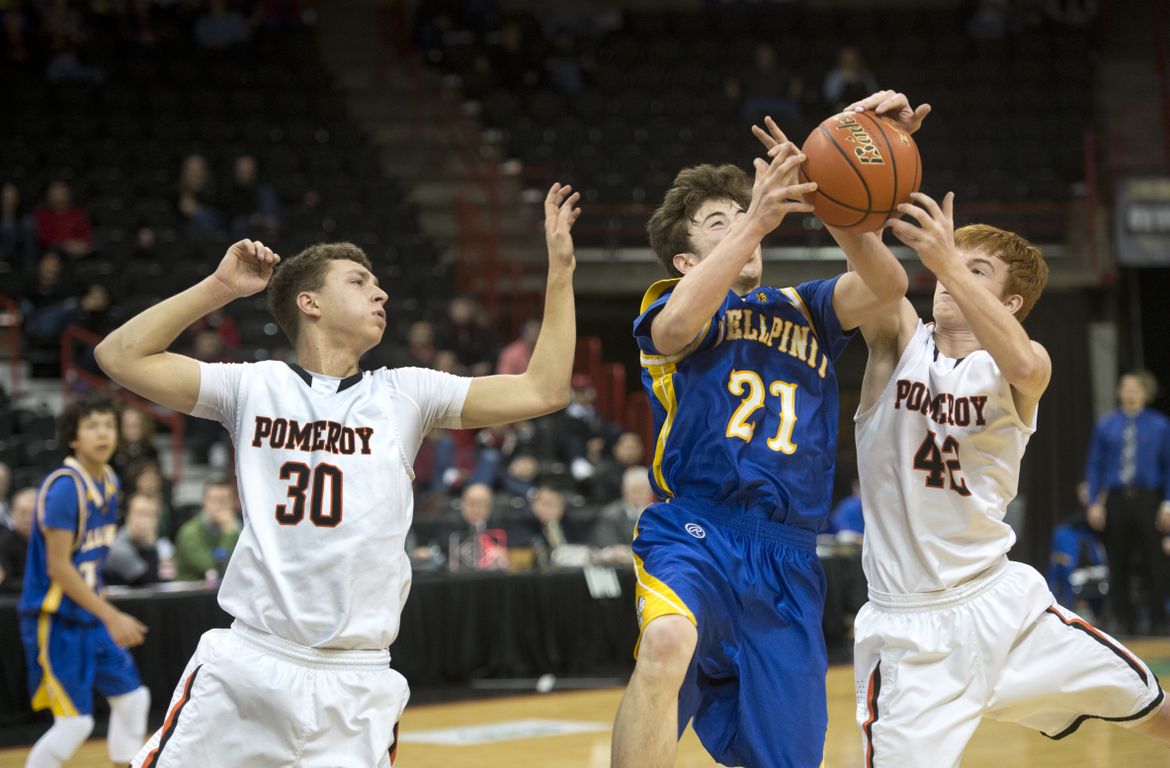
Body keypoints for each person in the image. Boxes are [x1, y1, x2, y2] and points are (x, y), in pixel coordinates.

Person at [94, 182, 580, 767]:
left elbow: (544, 389)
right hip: (252, 662)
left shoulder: (406, 392)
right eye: (360, 282)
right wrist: (219, 289)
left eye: (378, 285)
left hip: (357, 680)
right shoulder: (254, 385)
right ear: (309, 302)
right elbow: (119, 356)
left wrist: (560, 271)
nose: (382, 293)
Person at [847, 90, 1170, 767]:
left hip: (1003, 605)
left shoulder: (1022, 365)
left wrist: (945, 262)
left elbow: (1021, 357)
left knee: (1155, 710)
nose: (949, 274)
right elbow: (860, 244)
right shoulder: (898, 339)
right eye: (951, 262)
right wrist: (858, 139)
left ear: (1011, 300)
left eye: (976, 269)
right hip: (911, 630)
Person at [611, 118, 909, 767]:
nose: (745, 224)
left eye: (744, 214)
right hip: (697, 529)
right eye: (720, 221)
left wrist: (839, 194)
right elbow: (675, 328)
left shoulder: (808, 308)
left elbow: (887, 286)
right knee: (665, 643)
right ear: (687, 260)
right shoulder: (678, 303)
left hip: (788, 557)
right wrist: (757, 219)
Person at [18, 394, 150, 768]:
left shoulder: (109, 481)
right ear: (73, 437)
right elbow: (59, 568)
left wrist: (102, 612)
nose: (102, 433)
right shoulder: (64, 488)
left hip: (89, 616)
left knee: (133, 698)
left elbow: (92, 559)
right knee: (75, 723)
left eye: (108, 424)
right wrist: (112, 615)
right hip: (56, 619)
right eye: (91, 426)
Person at [1084, 369, 1170, 635]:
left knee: (1155, 560)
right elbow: (1095, 466)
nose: (1130, 393)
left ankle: (1158, 618)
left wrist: (1167, 503)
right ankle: (1123, 619)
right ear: (1119, 392)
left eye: (1135, 388)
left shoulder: (1160, 425)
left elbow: (1168, 466)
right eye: (1125, 388)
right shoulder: (1106, 425)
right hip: (1117, 499)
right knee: (1117, 558)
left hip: (1148, 497)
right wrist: (1093, 504)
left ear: (1145, 392)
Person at [173, 477, 240, 583]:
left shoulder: (236, 527)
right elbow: (217, 570)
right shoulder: (190, 533)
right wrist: (228, 531)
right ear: (204, 502)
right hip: (190, 594)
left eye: (225, 500)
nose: (220, 506)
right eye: (215, 500)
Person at [592, 466, 654, 564]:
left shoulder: (656, 515)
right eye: (634, 490)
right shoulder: (609, 515)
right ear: (624, 490)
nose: (638, 494)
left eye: (643, 490)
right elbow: (607, 548)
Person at [106, 492, 170, 587]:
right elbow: (149, 583)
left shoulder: (161, 543)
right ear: (127, 516)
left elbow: (168, 577)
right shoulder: (119, 548)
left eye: (150, 515)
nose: (144, 520)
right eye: (139, 514)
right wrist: (150, 545)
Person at [0, 486, 35, 593]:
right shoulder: (4, 543)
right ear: (13, 513)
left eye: (33, 513)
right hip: (15, 599)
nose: (28, 519)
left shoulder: (50, 541)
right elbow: (6, 582)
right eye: (23, 513)